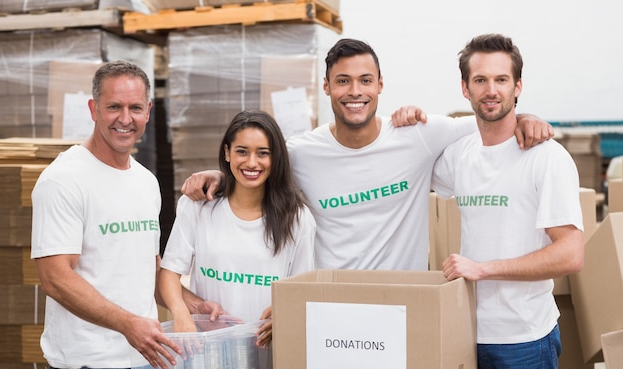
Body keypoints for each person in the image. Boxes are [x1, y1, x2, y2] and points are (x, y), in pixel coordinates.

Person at [181, 38, 553, 271]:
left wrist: (526, 116)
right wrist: (218, 176)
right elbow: (255, 167)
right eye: (343, 81)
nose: (354, 91)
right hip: (331, 303)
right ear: (327, 87)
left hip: (404, 303)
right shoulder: (301, 152)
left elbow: (490, 116)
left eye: (364, 81)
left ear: (380, 85)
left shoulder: (419, 134)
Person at [431, 34, 584, 369]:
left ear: (518, 86)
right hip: (467, 335)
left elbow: (571, 253)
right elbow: (408, 162)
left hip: (525, 337)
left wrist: (483, 269)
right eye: (480, 80)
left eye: (501, 80)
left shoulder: (546, 158)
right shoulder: (458, 157)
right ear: (465, 88)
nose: (491, 90)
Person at [31, 61, 182, 369]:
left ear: (148, 111)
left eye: (134, 108)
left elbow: (149, 268)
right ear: (93, 109)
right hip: (91, 362)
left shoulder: (146, 182)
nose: (124, 119)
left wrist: (195, 303)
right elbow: (55, 278)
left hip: (144, 356)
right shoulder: (64, 179)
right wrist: (128, 324)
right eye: (114, 106)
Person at [157, 110, 316, 369]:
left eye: (263, 153)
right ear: (227, 153)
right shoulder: (198, 207)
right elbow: (169, 273)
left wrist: (283, 314)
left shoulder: (297, 219)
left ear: (276, 158)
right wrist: (180, 314)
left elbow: (302, 292)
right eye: (242, 151)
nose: (252, 163)